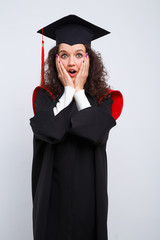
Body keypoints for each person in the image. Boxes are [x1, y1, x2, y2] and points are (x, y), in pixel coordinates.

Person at [30, 14, 123, 240]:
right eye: (64, 55)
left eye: (79, 55)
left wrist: (80, 93)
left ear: (89, 59)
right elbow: (50, 130)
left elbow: (97, 133)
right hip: (52, 195)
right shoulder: (45, 97)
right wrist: (68, 92)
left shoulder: (104, 100)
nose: (71, 63)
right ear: (56, 60)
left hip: (89, 197)